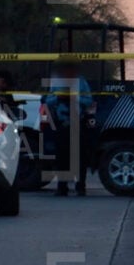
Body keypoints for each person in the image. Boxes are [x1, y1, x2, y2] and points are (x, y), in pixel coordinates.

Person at [44, 60, 93, 196]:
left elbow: (89, 100)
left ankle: (81, 186)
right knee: (62, 157)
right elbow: (47, 100)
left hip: (78, 123)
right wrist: (58, 98)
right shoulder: (56, 81)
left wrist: (74, 98)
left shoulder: (81, 82)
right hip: (61, 124)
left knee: (80, 157)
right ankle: (62, 187)